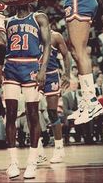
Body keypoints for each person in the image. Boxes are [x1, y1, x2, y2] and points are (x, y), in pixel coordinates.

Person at [3, 4, 51, 179]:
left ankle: (32, 162)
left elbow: (47, 45)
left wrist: (43, 69)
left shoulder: (39, 17)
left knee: (33, 114)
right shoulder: (7, 21)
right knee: (10, 114)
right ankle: (13, 162)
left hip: (31, 65)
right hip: (11, 67)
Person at [38, 29, 70, 163]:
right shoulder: (31, 34)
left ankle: (59, 149)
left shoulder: (55, 36)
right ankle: (38, 151)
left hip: (51, 75)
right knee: (32, 112)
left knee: (52, 112)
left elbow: (66, 55)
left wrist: (67, 74)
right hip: (35, 76)